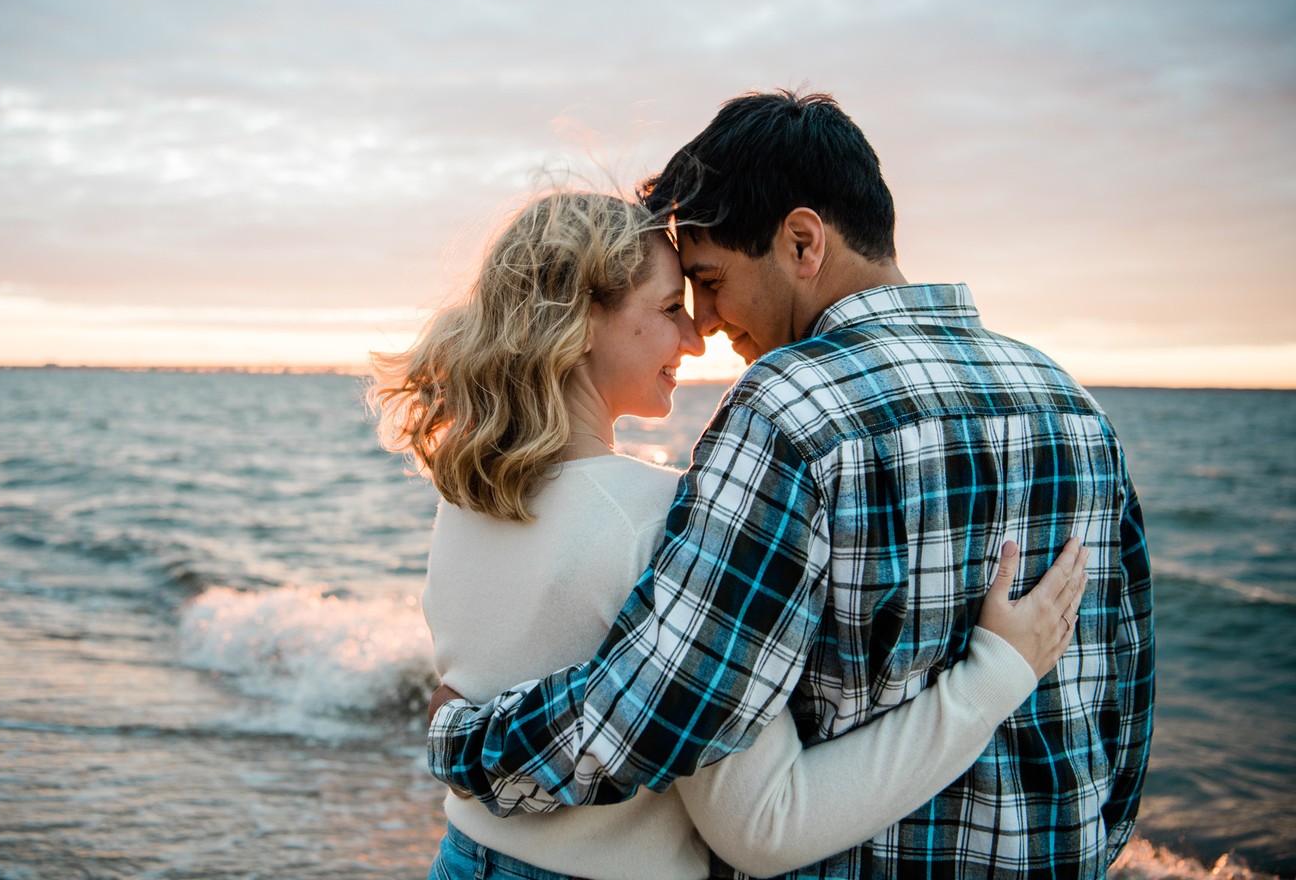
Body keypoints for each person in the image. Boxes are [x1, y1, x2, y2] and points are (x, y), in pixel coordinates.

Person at [426, 93, 1155, 879]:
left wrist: (455, 742)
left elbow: (656, 715)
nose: (705, 324)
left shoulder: (789, 410)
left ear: (803, 242)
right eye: (680, 300)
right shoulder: (1075, 406)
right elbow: (1124, 703)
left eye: (709, 280)